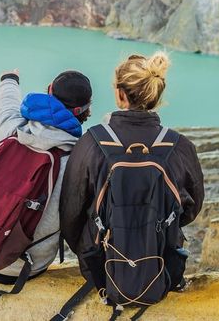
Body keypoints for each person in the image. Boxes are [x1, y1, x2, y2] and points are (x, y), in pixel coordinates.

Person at [55, 52, 204, 318]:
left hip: (101, 269)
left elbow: (70, 213)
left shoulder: (91, 142)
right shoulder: (179, 146)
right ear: (156, 96)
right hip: (162, 264)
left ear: (120, 95)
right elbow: (191, 208)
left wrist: (92, 251)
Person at [0, 68, 93, 281]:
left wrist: (10, 79)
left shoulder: (12, 131)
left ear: (49, 91)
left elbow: (6, 107)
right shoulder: (77, 159)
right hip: (26, 266)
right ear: (84, 110)